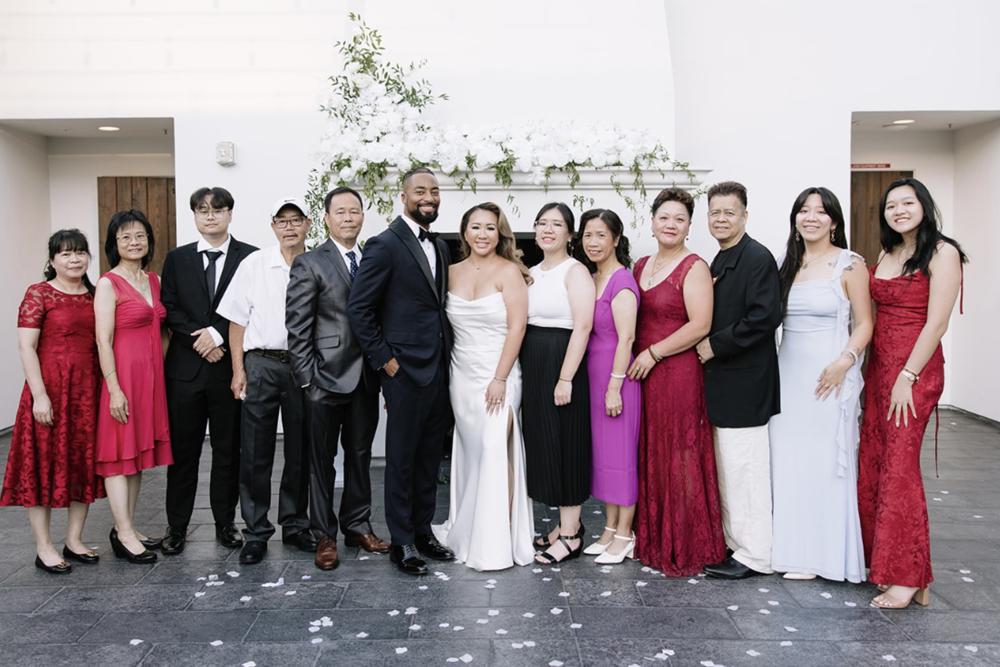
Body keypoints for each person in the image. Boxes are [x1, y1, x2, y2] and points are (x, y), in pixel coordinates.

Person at [859, 178, 966, 609]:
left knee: (900, 468)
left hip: (913, 373)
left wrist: (908, 375)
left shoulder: (943, 252)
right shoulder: (887, 253)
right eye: (891, 206)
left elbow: (937, 323)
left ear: (924, 206)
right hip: (879, 370)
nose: (899, 210)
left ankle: (906, 576)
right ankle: (883, 563)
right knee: (875, 461)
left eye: (907, 203)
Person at [348, 167, 456, 576]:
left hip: (438, 367)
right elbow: (360, 308)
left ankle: (423, 531)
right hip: (403, 371)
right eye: (420, 191)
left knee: (430, 459)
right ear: (403, 196)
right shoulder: (384, 244)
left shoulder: (441, 246)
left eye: (434, 190)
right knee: (402, 459)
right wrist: (385, 360)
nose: (428, 197)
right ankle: (402, 541)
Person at [770, 187, 872, 583]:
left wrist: (844, 362)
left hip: (829, 375)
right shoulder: (785, 264)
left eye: (820, 211)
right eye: (804, 210)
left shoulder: (849, 264)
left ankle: (825, 556)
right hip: (788, 375)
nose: (811, 217)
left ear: (834, 221)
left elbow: (864, 323)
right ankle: (793, 552)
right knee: (789, 461)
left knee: (825, 463)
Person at [286, 187, 388, 572]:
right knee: (321, 462)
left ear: (363, 216)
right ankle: (324, 535)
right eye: (340, 211)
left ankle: (358, 526)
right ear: (327, 218)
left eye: (354, 211)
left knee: (360, 456)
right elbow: (297, 327)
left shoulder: (373, 260)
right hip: (324, 379)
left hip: (366, 378)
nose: (348, 217)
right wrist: (308, 381)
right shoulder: (310, 262)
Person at [627, 188, 727, 576]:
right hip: (642, 373)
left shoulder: (694, 266)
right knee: (650, 448)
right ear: (652, 222)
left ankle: (684, 542)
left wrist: (653, 353)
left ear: (689, 226)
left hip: (677, 372)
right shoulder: (640, 265)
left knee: (679, 452)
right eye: (664, 217)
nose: (671, 225)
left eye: (679, 219)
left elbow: (700, 325)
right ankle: (653, 538)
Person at [431, 202, 534, 571]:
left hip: (499, 372)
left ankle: (499, 536)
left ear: (499, 233)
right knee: (474, 451)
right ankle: (470, 526)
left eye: (490, 227)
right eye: (476, 227)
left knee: (495, 447)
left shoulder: (509, 272)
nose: (483, 234)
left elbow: (517, 327)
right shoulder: (450, 272)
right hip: (462, 376)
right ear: (465, 232)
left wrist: (500, 378)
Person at [216, 197, 315, 565]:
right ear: (273, 226)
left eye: (296, 220)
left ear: (308, 225)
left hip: (303, 365)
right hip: (260, 364)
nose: (289, 227)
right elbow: (237, 321)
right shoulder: (254, 264)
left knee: (300, 449)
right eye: (282, 221)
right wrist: (238, 370)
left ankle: (295, 524)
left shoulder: (317, 263)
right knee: (256, 450)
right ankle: (256, 531)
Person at [160, 187, 257, 556]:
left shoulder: (250, 257)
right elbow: (169, 307)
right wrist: (200, 340)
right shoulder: (177, 259)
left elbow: (253, 305)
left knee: (228, 451)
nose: (210, 216)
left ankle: (225, 524)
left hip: (229, 370)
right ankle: (176, 527)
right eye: (203, 210)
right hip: (185, 372)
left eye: (218, 209)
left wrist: (217, 335)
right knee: (183, 454)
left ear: (230, 213)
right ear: (195, 216)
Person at [1, 230, 104, 573]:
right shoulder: (39, 293)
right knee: (41, 466)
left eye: (80, 252)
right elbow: (26, 346)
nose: (75, 259)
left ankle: (74, 540)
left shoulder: (95, 294)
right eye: (66, 254)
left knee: (82, 464)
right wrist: (40, 395)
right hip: (50, 391)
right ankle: (44, 546)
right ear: (52, 260)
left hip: (87, 393)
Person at [695, 181, 782, 579]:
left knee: (746, 472)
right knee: (730, 469)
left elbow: (765, 317)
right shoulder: (722, 257)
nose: (721, 219)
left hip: (746, 385)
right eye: (715, 212)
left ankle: (755, 555)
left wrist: (715, 345)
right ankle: (737, 545)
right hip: (725, 385)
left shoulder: (757, 257)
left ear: (745, 215)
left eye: (729, 212)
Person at [94, 210, 173, 563]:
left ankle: (127, 525)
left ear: (149, 240)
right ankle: (123, 532)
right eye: (125, 237)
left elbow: (163, 331)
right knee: (117, 457)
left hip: (151, 380)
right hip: (123, 378)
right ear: (114, 244)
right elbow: (102, 340)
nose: (134, 242)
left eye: (140, 235)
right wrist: (114, 388)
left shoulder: (154, 280)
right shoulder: (108, 284)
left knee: (137, 455)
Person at [521, 202, 595, 565]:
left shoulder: (575, 271)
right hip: (534, 362)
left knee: (567, 444)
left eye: (556, 224)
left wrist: (565, 378)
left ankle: (570, 537)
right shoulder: (531, 273)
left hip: (563, 361)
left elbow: (583, 326)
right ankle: (568, 525)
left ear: (569, 234)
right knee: (545, 445)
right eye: (542, 223)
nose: (547, 230)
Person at [576, 209, 641, 565]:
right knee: (604, 458)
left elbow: (627, 337)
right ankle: (609, 527)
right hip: (595, 378)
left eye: (601, 235)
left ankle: (625, 534)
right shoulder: (590, 277)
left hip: (617, 380)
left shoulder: (621, 280)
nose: (593, 242)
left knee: (622, 457)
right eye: (588, 234)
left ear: (616, 239)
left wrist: (615, 387)